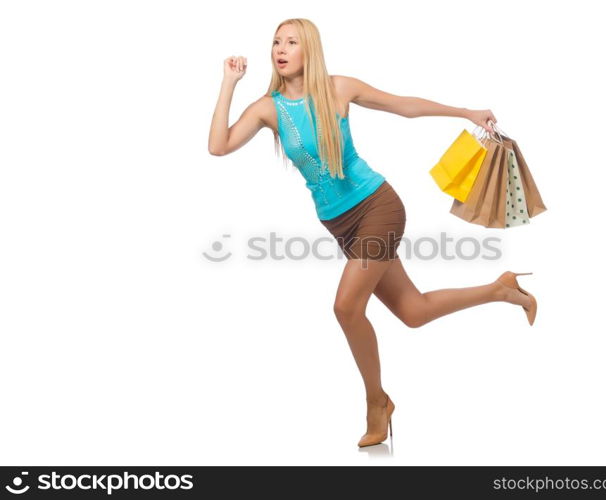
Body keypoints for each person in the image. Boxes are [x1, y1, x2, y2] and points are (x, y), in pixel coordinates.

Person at [208, 18, 537, 448]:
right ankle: (501, 289)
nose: (281, 49)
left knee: (346, 307)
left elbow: (403, 105)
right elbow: (219, 146)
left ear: (310, 50)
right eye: (276, 42)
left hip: (378, 207)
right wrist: (229, 83)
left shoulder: (338, 88)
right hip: (340, 225)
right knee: (414, 312)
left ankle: (376, 403)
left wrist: (466, 112)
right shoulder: (267, 108)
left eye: (292, 42)